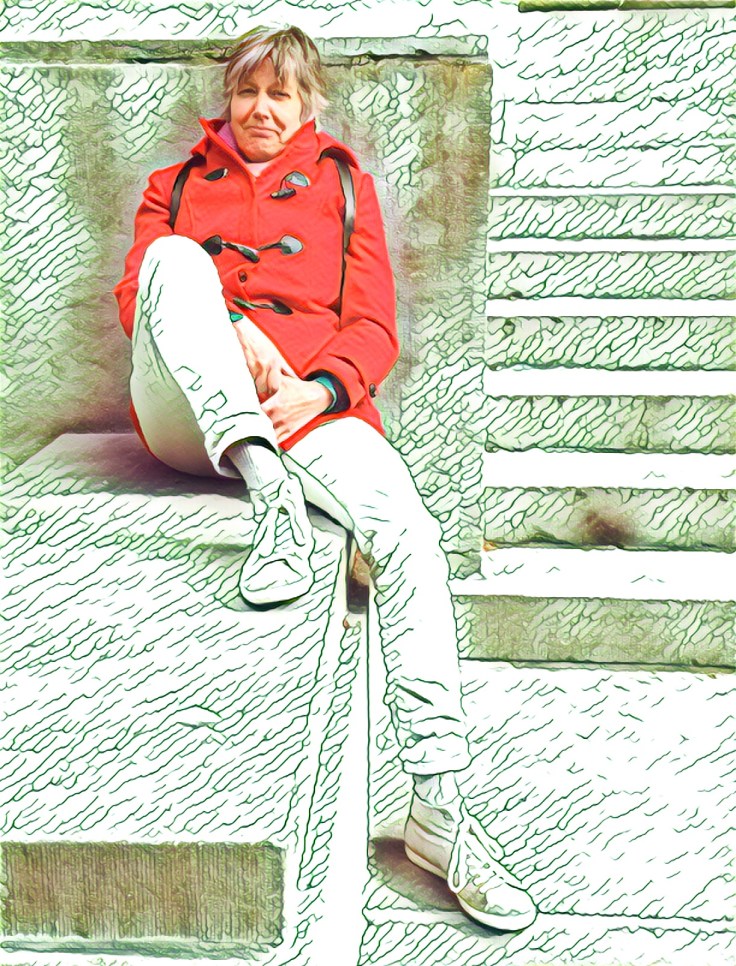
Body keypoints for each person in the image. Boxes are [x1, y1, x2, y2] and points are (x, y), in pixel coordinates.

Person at [114, 25, 536, 931]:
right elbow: (135, 305)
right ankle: (266, 489)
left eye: (282, 93)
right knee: (173, 259)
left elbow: (375, 327)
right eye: (249, 91)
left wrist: (320, 388)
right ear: (229, 99)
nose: (262, 109)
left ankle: (440, 808)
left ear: (308, 104)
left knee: (410, 535)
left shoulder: (345, 188)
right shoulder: (174, 186)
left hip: (308, 410)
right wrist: (234, 329)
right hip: (190, 412)